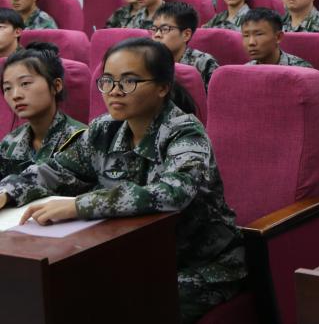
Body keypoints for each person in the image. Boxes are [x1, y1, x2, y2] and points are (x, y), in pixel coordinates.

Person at [0, 38, 247, 322]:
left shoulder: (185, 132)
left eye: (129, 81)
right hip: (132, 255)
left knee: (119, 308)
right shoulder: (104, 129)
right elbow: (56, 171)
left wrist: (80, 206)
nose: (114, 91)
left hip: (200, 265)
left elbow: (173, 192)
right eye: (107, 81)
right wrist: (7, 192)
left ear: (162, 87)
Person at [0, 43, 86, 177]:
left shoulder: (81, 139)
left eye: (25, 83)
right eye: (7, 88)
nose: (15, 95)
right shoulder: (9, 143)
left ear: (56, 86)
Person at [151, 1, 219, 88]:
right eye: (154, 29)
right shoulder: (148, 59)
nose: (157, 34)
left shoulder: (204, 63)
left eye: (165, 29)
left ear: (186, 35)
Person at [240, 8, 311, 67]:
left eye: (259, 34)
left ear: (278, 37)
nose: (251, 42)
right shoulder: (245, 71)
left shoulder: (300, 70)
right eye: (246, 35)